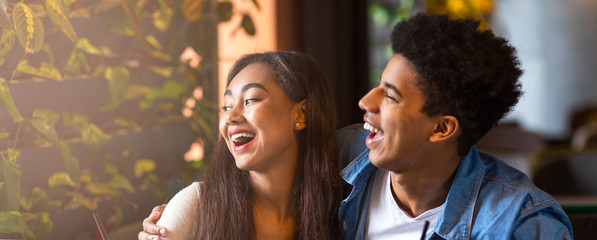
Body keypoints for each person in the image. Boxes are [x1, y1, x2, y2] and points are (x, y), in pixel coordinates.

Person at [140, 13, 573, 240]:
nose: (364, 103)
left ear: (441, 129)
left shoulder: (519, 222)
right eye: (375, 86)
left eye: (390, 95)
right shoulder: (348, 156)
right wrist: (186, 214)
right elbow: (268, 164)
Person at [139, 51, 342, 240]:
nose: (230, 117)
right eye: (227, 106)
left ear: (301, 114)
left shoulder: (342, 211)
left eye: (250, 100)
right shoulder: (195, 207)